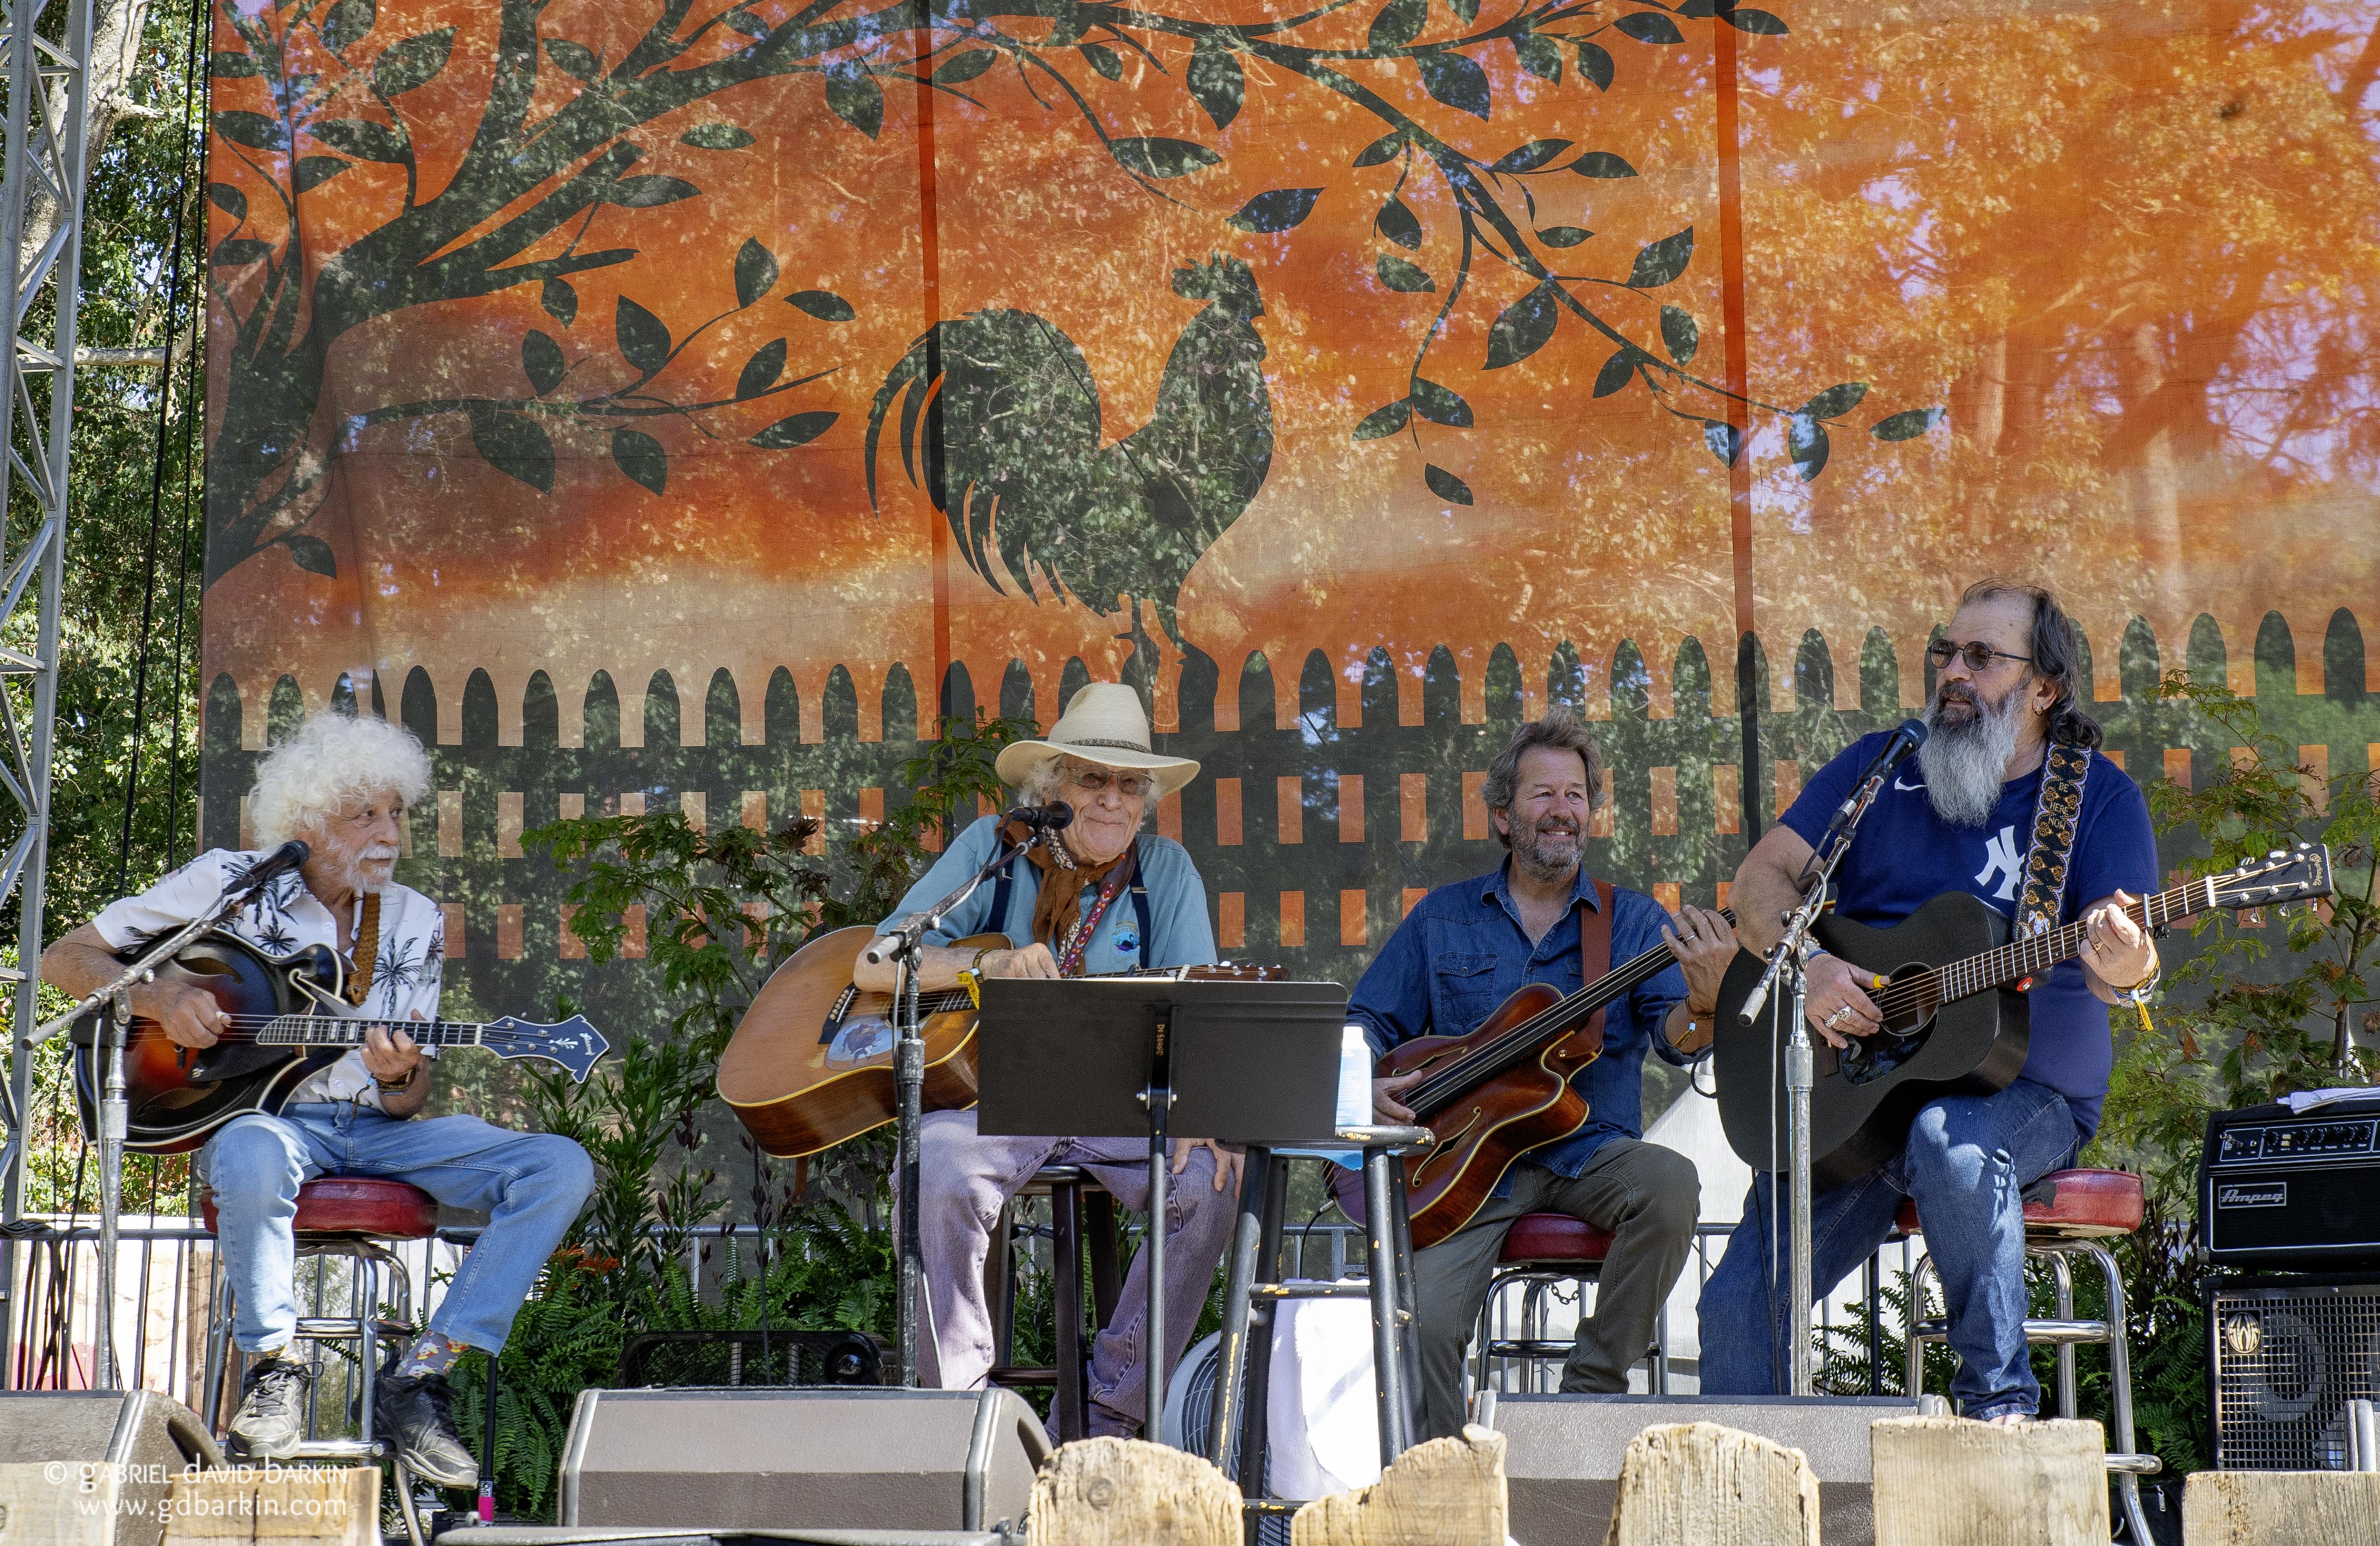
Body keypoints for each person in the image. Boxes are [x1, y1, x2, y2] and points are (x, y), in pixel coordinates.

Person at [41, 712, 594, 1483]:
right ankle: (275, 1367)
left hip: (377, 1129)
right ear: (306, 819)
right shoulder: (229, 885)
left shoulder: (414, 920)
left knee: (559, 1167)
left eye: (397, 811)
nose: (389, 830)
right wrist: (162, 997)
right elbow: (62, 957)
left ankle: (422, 1375)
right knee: (247, 1148)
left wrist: (401, 1075)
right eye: (364, 812)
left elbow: (409, 1097)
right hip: (273, 1123)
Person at [1698, 578, 2160, 1421]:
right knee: (1732, 1310)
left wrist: (2126, 959)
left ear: (2043, 688)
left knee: (1948, 1142)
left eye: (1982, 657)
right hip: (1860, 1092)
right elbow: (1760, 878)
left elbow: (2115, 972)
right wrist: (1807, 967)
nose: (1954, 670)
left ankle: (1999, 1414)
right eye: (1946, 652)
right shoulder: (1881, 768)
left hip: (2024, 1091)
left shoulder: (2094, 798)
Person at [854, 681, 1231, 1437]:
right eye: (1093, 778)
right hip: (992, 1101)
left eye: (1129, 784)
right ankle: (964, 1420)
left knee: (1214, 1176)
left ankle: (1108, 1413)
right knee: (935, 1167)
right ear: (1052, 786)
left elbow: (1203, 1008)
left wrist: (1201, 1108)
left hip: (1123, 1108)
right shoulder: (994, 849)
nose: (1113, 800)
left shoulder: (1168, 871)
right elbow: (875, 961)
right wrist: (980, 968)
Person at [1349, 708, 1733, 1439]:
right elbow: (1366, 1021)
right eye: (1542, 794)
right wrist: (1365, 1082)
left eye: (1576, 794)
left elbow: (1676, 1040)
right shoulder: (1443, 918)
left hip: (1588, 1151)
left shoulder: (1630, 921)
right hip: (1463, 1168)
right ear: (1503, 814)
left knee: (1672, 1184)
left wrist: (1706, 1004)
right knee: (1421, 1324)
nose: (1562, 809)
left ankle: (1587, 1395)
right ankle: (1441, 1476)